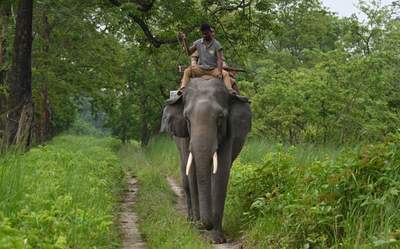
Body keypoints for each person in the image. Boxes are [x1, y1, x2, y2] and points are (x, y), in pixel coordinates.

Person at [178, 23, 236, 95]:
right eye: (203, 34)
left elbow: (219, 59)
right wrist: (185, 41)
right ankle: (183, 89)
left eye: (206, 34)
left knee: (226, 74)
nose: (204, 36)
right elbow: (188, 53)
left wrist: (220, 73)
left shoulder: (216, 44)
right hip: (201, 69)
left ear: (209, 32)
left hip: (213, 69)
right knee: (187, 71)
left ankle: (230, 91)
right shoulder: (198, 43)